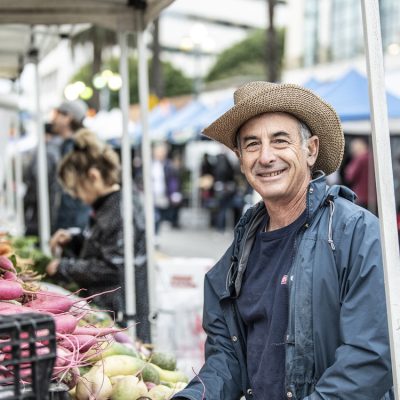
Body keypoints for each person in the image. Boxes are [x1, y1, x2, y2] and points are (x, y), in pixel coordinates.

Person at [172, 81, 392, 399]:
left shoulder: (355, 232)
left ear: (311, 149)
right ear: (239, 157)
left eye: (280, 141)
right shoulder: (242, 248)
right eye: (251, 145)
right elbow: (228, 358)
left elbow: (369, 358)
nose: (265, 157)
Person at [46, 129, 150, 342]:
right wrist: (75, 239)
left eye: (76, 189)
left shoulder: (121, 208)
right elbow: (105, 246)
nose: (77, 197)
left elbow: (112, 267)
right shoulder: (109, 205)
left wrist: (63, 267)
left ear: (93, 176)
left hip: (120, 314)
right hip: (108, 308)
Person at [51, 100, 91, 231]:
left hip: (74, 221)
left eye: (58, 114)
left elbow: (74, 190)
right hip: (71, 219)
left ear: (68, 118)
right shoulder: (68, 145)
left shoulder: (77, 146)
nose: (54, 119)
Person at [344, 137, 376, 211]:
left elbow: (349, 176)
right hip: (374, 197)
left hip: (361, 197)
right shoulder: (373, 156)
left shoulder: (360, 158)